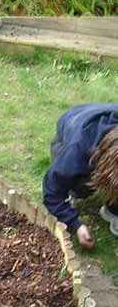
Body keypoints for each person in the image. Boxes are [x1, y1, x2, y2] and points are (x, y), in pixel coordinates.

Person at [42, 102, 118, 249]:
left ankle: (111, 211)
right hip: (71, 127)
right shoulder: (75, 153)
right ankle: (78, 191)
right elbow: (51, 193)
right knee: (81, 188)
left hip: (99, 113)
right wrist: (76, 225)